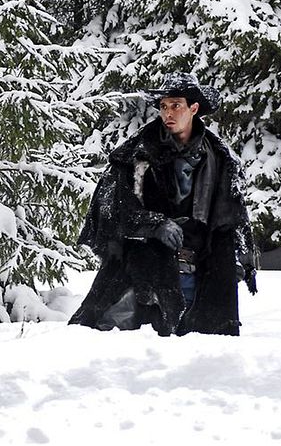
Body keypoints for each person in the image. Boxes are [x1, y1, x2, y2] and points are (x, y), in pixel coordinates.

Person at [69, 72, 258, 336]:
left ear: (193, 109)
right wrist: (155, 225)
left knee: (204, 351)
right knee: (132, 344)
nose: (168, 113)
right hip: (144, 273)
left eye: (176, 105)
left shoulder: (218, 157)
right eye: (163, 106)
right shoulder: (137, 153)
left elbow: (232, 214)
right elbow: (112, 208)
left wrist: (242, 259)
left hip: (201, 273)